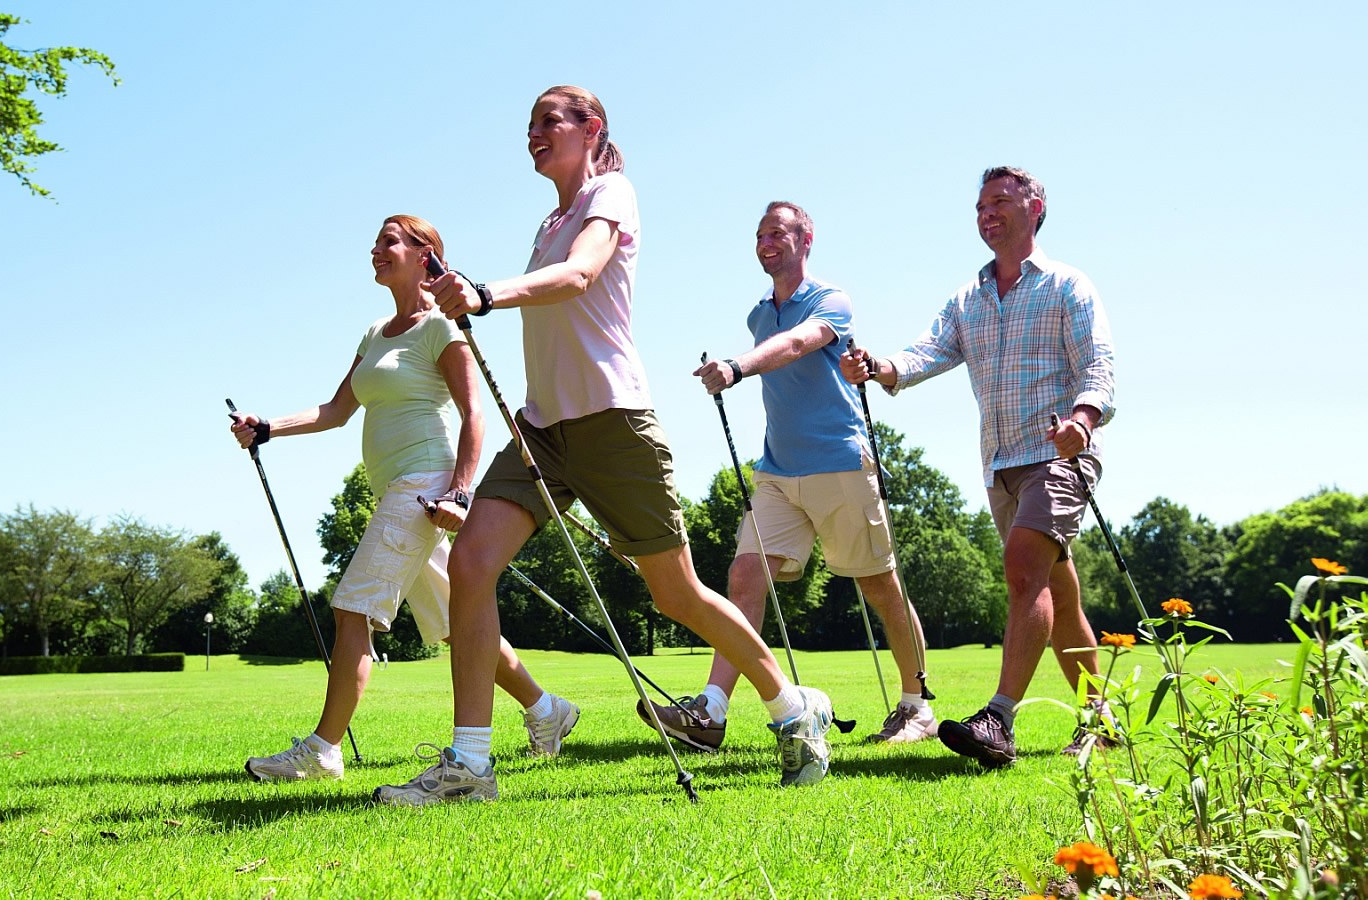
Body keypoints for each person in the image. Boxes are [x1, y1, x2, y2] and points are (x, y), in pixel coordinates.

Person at [373, 86, 833, 807]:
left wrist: (489, 294)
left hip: (612, 422)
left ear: (592, 130)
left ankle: (790, 707)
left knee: (674, 592)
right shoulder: (547, 221)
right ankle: (469, 765)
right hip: (543, 432)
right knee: (470, 562)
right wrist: (472, 297)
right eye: (527, 124)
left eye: (548, 121)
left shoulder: (610, 192)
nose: (534, 133)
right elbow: (548, 284)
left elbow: (582, 273)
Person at [230, 214, 578, 782]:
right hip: (397, 489)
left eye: (390, 241)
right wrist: (268, 425)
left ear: (426, 256)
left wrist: (462, 493)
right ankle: (547, 710)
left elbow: (475, 416)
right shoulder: (374, 333)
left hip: (425, 485)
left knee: (353, 609)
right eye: (375, 242)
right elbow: (336, 411)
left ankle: (322, 749)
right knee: (455, 622)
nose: (376, 250)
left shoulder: (441, 326)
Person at [841, 166, 1116, 769]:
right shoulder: (969, 298)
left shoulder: (1068, 285)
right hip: (999, 464)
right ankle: (1101, 719)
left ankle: (999, 718)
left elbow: (1098, 368)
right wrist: (882, 366)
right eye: (979, 205)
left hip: (1058, 454)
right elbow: (930, 350)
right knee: (1056, 595)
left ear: (1034, 206)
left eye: (1000, 201)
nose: (986, 213)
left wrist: (1082, 422)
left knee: (1022, 569)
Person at [638, 201, 935, 751]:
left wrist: (737, 366)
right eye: (759, 235)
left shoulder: (830, 300)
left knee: (878, 586)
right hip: (777, 472)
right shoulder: (758, 315)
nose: (766, 242)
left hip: (840, 463)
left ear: (806, 239)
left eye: (777, 232)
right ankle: (711, 712)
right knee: (745, 577)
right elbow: (777, 341)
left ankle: (917, 706)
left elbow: (799, 343)